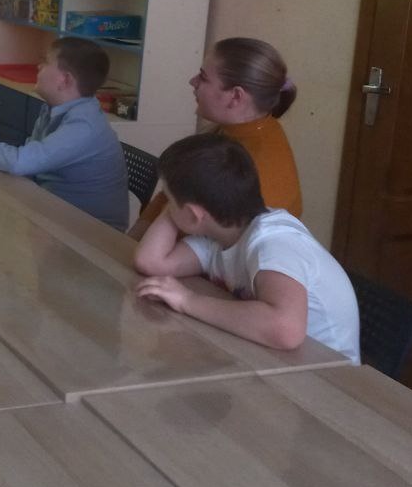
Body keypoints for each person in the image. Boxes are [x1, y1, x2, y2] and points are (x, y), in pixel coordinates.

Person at [133, 132, 359, 362]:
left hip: (328, 373)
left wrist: (187, 301)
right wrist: (176, 206)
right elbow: (151, 262)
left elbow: (285, 330)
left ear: (194, 215)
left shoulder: (274, 243)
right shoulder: (221, 233)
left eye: (168, 200)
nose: (166, 207)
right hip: (276, 359)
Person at [128, 36, 301, 240]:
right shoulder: (236, 130)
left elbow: (201, 244)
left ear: (236, 96)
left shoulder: (255, 166)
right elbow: (171, 194)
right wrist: (134, 236)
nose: (192, 82)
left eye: (203, 77)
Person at [0, 37, 129, 230]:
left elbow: (20, 162)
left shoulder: (84, 126)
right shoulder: (53, 109)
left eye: (46, 62)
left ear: (65, 80)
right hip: (56, 213)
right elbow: (30, 163)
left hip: (92, 234)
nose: (39, 67)